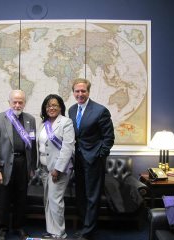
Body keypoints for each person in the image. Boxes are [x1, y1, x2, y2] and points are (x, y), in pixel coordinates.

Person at [68, 78, 115, 240]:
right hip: (78, 160)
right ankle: (83, 225)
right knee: (80, 194)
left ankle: (88, 231)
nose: (80, 94)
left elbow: (108, 138)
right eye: (77, 91)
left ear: (88, 92)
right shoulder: (72, 110)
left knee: (92, 195)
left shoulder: (100, 111)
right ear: (73, 92)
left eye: (83, 91)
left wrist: (100, 155)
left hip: (94, 160)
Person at [0, 90, 37, 240]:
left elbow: (32, 145)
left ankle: (18, 227)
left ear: (24, 102)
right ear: (9, 102)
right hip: (3, 167)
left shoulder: (30, 119)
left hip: (23, 164)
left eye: (20, 102)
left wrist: (32, 167)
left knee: (21, 199)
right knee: (2, 200)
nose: (17, 104)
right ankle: (1, 231)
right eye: (14, 101)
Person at [37, 94, 75, 239]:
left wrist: (57, 169)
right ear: (45, 108)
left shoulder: (66, 122)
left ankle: (59, 233)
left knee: (55, 200)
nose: (51, 108)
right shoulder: (43, 123)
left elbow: (67, 148)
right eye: (48, 105)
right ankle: (51, 230)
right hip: (44, 168)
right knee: (48, 199)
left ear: (60, 107)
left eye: (55, 105)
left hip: (58, 169)